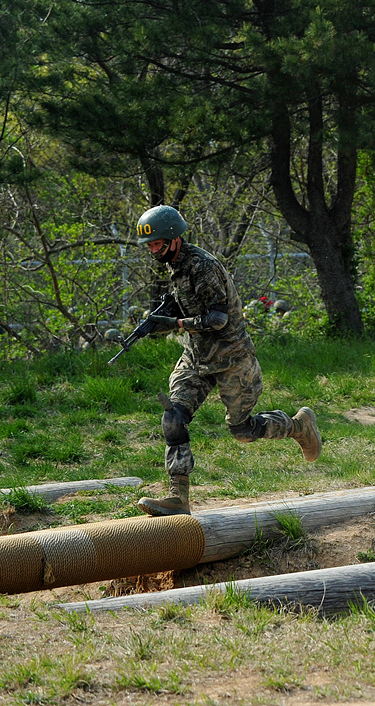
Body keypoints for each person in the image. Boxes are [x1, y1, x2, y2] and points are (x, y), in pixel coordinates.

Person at [132, 205, 322, 516]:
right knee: (173, 418)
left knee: (243, 431)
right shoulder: (176, 266)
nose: (153, 250)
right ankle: (178, 498)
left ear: (173, 239)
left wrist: (176, 324)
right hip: (197, 356)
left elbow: (217, 319)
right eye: (149, 246)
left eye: (156, 244)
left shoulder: (203, 267)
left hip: (232, 357)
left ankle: (299, 427)